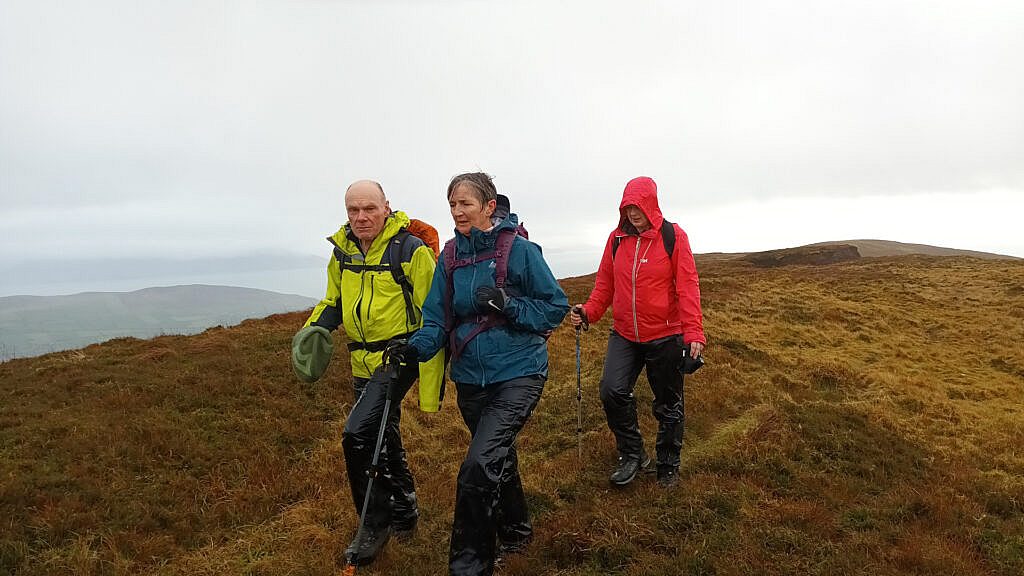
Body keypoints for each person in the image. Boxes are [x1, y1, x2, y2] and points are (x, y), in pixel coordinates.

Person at [386, 172, 568, 576]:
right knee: (497, 456)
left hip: (520, 371)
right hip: (470, 378)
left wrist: (509, 305)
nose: (457, 211)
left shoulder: (519, 251)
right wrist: (413, 347)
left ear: (489, 207)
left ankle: (470, 566)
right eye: (452, 204)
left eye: (465, 203)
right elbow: (436, 319)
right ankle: (518, 533)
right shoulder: (449, 257)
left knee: (476, 466)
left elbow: (555, 307)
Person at [297, 179, 445, 565]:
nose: (361, 217)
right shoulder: (342, 251)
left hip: (399, 359)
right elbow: (335, 300)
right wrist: (314, 331)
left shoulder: (410, 251)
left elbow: (434, 314)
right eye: (353, 210)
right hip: (360, 360)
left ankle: (375, 523)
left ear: (386, 207)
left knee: (356, 435)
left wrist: (421, 363)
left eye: (369, 209)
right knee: (384, 431)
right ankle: (405, 508)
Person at [569, 176, 706, 488]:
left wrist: (693, 332)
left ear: (651, 204)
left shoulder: (673, 237)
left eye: (637, 207)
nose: (632, 213)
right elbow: (605, 285)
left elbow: (687, 286)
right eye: (627, 207)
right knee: (611, 391)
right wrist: (589, 311)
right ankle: (633, 454)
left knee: (668, 404)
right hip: (625, 334)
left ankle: (668, 464)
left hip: (665, 334)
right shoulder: (616, 240)